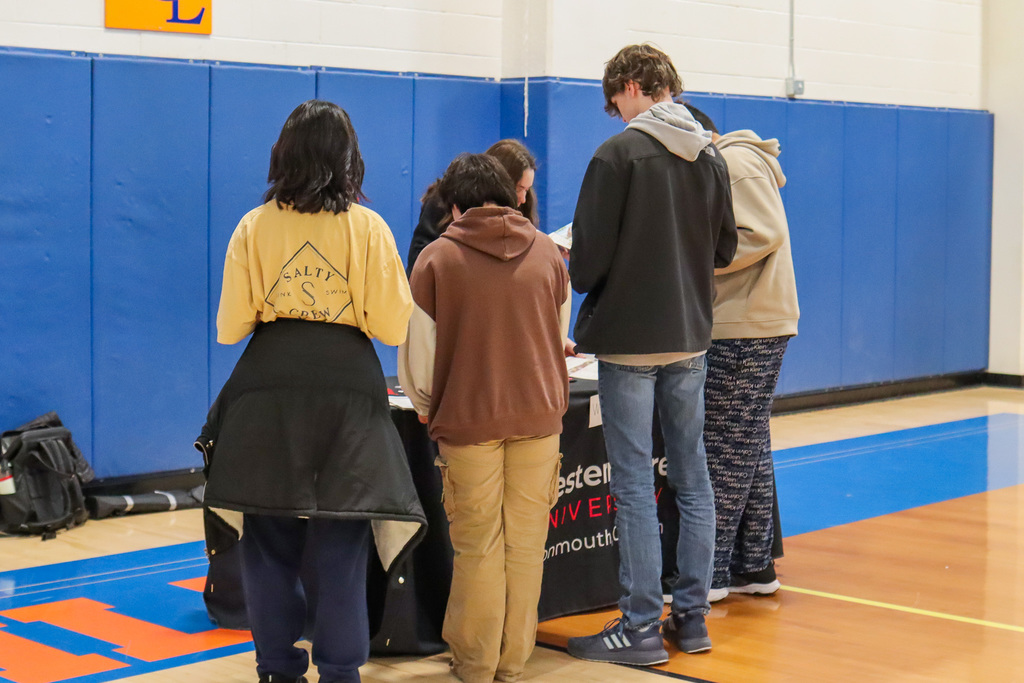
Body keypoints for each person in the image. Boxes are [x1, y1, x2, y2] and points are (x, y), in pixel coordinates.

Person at [202, 100, 426, 683]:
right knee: (342, 543)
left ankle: (277, 668)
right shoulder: (368, 227)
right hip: (346, 385)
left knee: (266, 537)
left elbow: (231, 326)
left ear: (283, 154)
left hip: (267, 384)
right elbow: (392, 327)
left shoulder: (252, 225)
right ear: (350, 158)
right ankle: (340, 670)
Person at [564, 44, 737, 665]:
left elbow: (587, 266)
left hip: (630, 340)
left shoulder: (617, 155)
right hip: (690, 335)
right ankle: (691, 619)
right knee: (692, 476)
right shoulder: (709, 155)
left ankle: (639, 625)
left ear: (633, 85)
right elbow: (724, 250)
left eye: (616, 102)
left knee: (635, 483)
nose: (617, 115)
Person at [398, 153, 570, 683]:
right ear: (509, 193)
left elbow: (419, 355)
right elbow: (557, 335)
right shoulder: (548, 253)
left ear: (453, 206)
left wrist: (428, 404)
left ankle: (475, 663)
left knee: (478, 546)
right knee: (526, 545)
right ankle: (513, 660)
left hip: (467, 420)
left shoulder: (436, 260)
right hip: (539, 417)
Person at [683, 104, 799, 602]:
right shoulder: (730, 161)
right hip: (747, 321)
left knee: (725, 446)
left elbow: (762, 233)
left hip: (746, 323)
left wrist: (688, 257)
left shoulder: (735, 161)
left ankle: (709, 574)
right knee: (748, 442)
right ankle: (753, 565)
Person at [406, 138, 538, 275]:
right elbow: (418, 261)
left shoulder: (523, 204)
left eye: (527, 190)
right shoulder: (447, 201)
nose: (523, 198)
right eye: (518, 189)